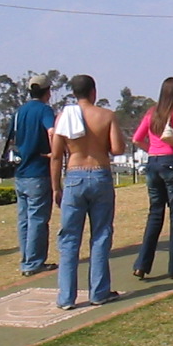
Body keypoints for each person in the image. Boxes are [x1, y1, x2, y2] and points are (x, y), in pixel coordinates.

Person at [49, 74, 125, 309]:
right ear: (94, 91)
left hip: (74, 175)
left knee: (70, 238)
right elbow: (118, 149)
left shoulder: (64, 116)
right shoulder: (106, 115)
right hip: (100, 174)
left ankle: (66, 297)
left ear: (74, 93)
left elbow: (56, 156)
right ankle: (99, 291)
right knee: (101, 235)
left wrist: (55, 187)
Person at [130, 77, 173, 280]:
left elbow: (136, 138)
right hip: (171, 163)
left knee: (155, 214)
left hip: (153, 163)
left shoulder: (152, 112)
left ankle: (142, 263)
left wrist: (152, 150)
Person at [11, 74, 57, 277]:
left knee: (24, 218)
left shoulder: (19, 112)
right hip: (38, 171)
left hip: (20, 172)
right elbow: (52, 131)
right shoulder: (45, 110)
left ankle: (26, 258)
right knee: (38, 218)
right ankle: (34, 262)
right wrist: (54, 152)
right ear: (48, 91)